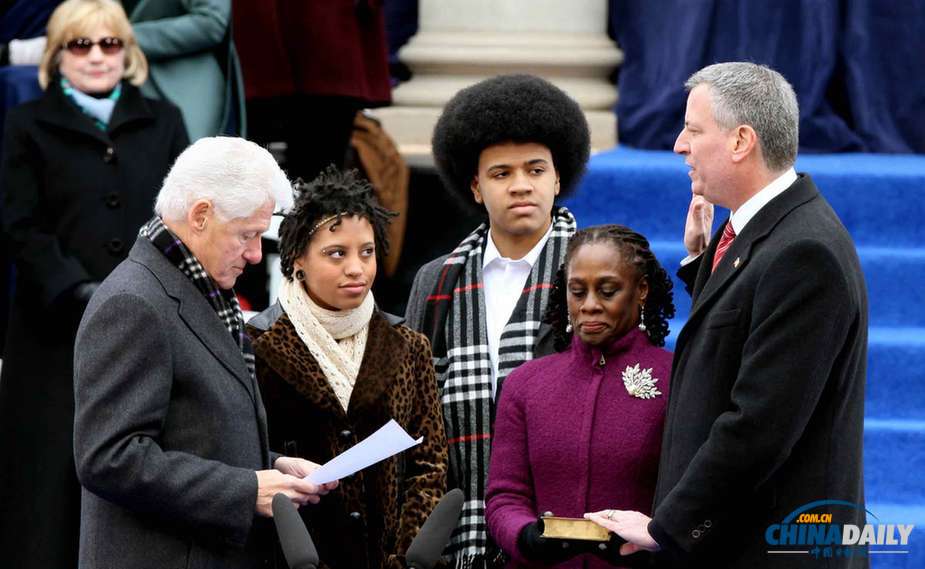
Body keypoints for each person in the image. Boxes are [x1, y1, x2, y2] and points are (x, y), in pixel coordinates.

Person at [586, 62, 869, 568]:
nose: (679, 145)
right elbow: (741, 336)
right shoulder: (768, 232)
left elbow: (759, 424)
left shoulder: (805, 253)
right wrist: (702, 267)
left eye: (693, 130)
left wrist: (666, 526)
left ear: (740, 141)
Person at [72, 137, 336, 569]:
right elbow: (109, 457)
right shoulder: (134, 301)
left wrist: (273, 468)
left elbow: (193, 432)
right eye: (247, 235)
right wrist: (247, 489)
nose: (255, 254)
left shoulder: (196, 286)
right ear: (200, 216)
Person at [0, 1, 188, 567]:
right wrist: (78, 290)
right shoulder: (26, 124)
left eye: (110, 44)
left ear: (127, 53)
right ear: (57, 57)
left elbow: (180, 218)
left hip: (147, 324)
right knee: (46, 479)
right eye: (81, 45)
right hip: (53, 329)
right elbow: (20, 224)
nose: (98, 57)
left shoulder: (166, 119)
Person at [405, 74, 591, 568]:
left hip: (565, 524)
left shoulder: (597, 269)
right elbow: (411, 404)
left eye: (535, 169)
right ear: (476, 186)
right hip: (452, 527)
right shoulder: (435, 281)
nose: (521, 185)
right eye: (501, 173)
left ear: (558, 178)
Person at [247, 167, 448, 569]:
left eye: (367, 251)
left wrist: (403, 557)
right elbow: (242, 456)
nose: (356, 268)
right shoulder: (254, 345)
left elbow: (430, 465)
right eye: (336, 253)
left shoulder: (408, 346)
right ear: (297, 259)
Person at [486, 225, 676, 568]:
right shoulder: (524, 384)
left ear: (641, 290)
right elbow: (504, 496)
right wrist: (526, 536)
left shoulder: (677, 377)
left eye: (607, 291)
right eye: (578, 291)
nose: (589, 305)